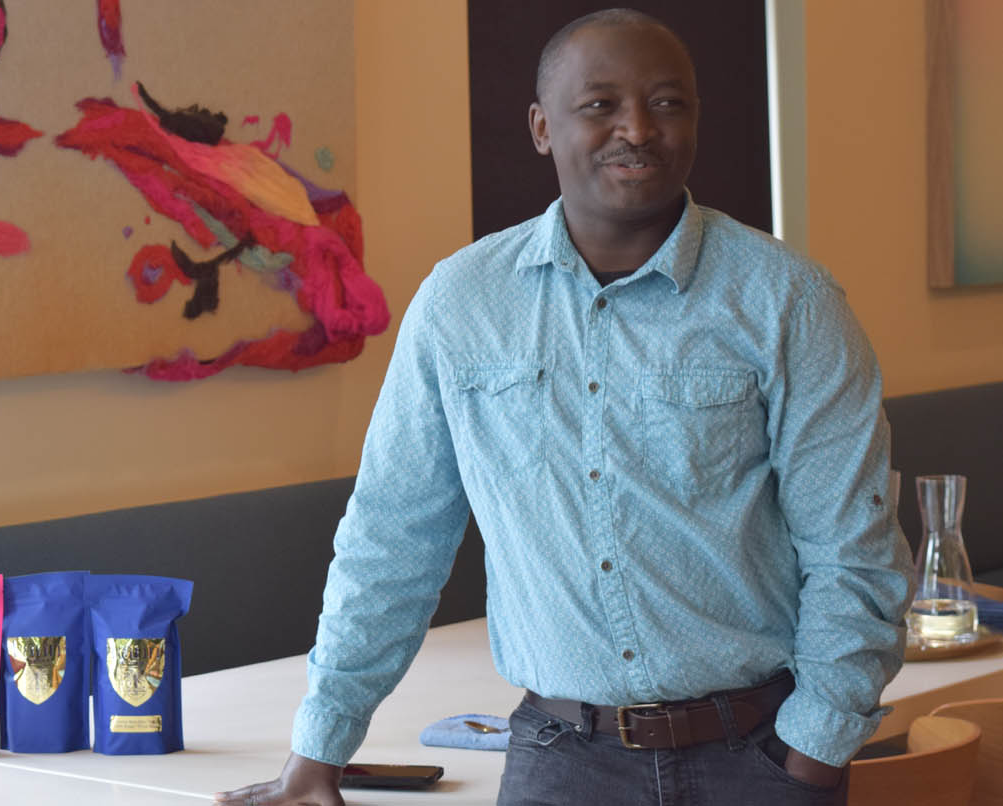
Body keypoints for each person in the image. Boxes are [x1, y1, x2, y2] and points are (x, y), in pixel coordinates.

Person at [215, 8, 913, 806]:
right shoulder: (460, 303)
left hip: (754, 757)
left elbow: (852, 549)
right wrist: (319, 750)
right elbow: (391, 537)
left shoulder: (788, 301)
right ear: (542, 128)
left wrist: (812, 753)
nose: (637, 129)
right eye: (599, 105)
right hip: (559, 762)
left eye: (666, 103)